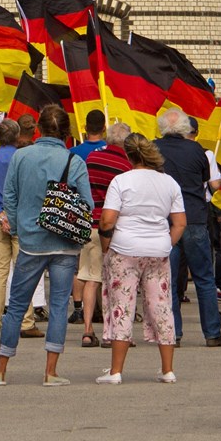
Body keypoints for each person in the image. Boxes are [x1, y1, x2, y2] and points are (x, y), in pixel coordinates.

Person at [0, 104, 92, 387]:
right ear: (67, 133)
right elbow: (88, 205)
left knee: (17, 304)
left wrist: (19, 227)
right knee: (58, 305)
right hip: (65, 243)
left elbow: (10, 194)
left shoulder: (21, 157)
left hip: (31, 240)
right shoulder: (74, 162)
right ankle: (51, 372)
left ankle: (0, 369)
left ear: (37, 130)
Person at [96, 132, 185, 385]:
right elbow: (180, 223)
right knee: (161, 305)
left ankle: (116, 371)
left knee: (121, 307)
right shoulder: (169, 183)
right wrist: (166, 242)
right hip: (158, 250)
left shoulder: (121, 181)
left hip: (125, 248)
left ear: (128, 155)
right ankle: (167, 369)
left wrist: (106, 246)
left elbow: (107, 219)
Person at [154, 108, 221, 347]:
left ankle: (173, 333)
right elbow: (208, 182)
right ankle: (212, 333)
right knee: (204, 277)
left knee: (169, 279)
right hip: (194, 217)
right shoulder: (198, 150)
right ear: (186, 128)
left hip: (165, 220)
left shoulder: (153, 150)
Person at [0, 118, 39, 339]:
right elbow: (30, 189)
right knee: (24, 271)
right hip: (21, 218)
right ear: (16, 136)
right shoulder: (24, 157)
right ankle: (26, 321)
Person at [76, 121, 132, 345]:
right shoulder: (126, 167)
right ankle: (113, 332)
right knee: (115, 281)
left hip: (89, 224)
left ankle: (88, 330)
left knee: (91, 279)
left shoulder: (91, 159)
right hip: (113, 228)